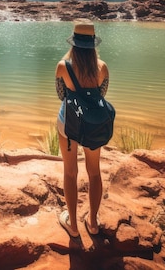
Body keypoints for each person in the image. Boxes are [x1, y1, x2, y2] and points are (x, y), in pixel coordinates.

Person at [55, 19, 109, 238]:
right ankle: (93, 222)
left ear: (74, 43)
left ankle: (73, 226)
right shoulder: (102, 67)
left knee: (70, 172)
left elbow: (61, 95)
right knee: (94, 172)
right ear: (93, 44)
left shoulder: (63, 66)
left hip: (69, 123)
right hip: (93, 124)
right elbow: (101, 94)